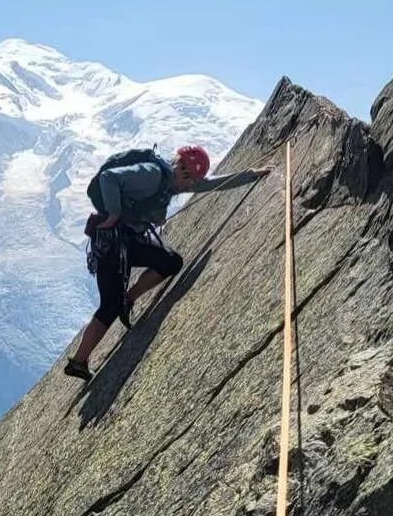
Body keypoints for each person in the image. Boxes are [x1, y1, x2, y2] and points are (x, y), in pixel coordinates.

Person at [63, 143, 271, 381]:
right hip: (112, 243)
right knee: (109, 306)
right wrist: (113, 213)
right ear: (180, 169)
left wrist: (252, 175)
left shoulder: (173, 183)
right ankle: (78, 362)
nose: (192, 185)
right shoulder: (153, 175)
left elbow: (212, 184)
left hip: (128, 241)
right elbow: (109, 178)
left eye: (193, 180)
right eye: (190, 179)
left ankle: (128, 298)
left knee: (171, 262)